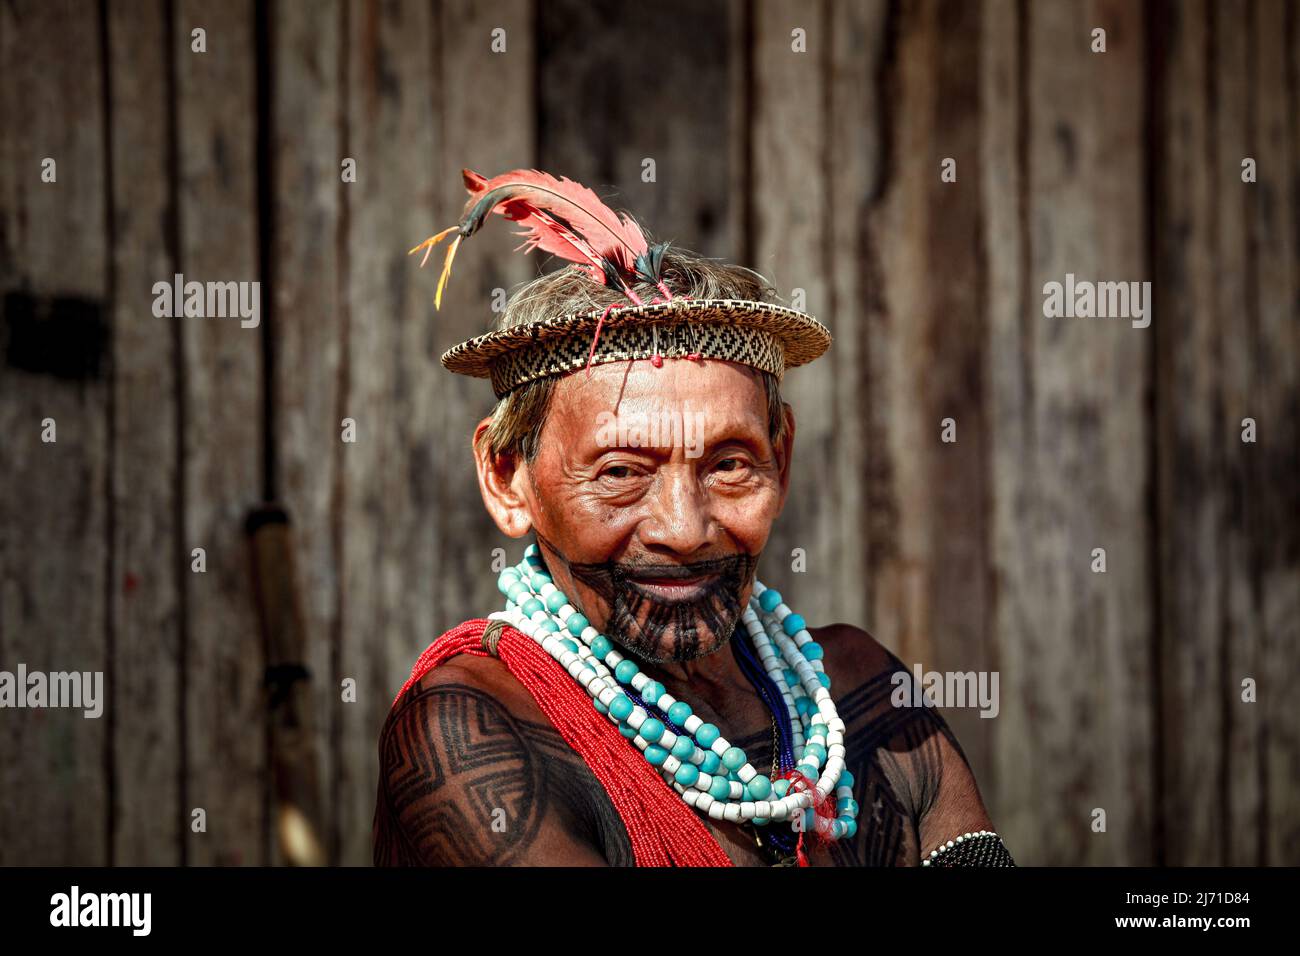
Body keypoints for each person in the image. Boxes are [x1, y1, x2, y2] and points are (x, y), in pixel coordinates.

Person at [372, 168, 1013, 867]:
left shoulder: (862, 694)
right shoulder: (471, 730)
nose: (684, 529)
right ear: (507, 479)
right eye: (620, 473)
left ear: (782, 459)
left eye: (730, 465)